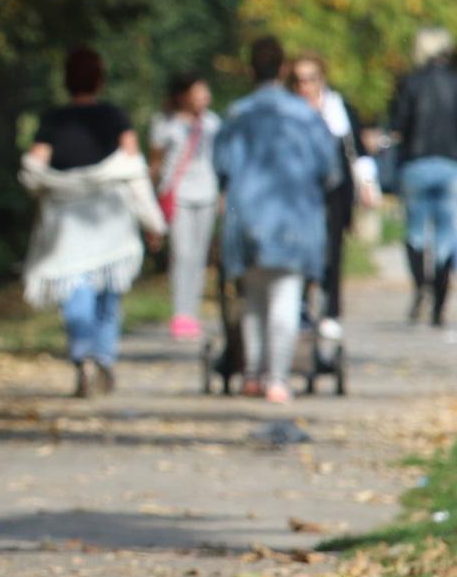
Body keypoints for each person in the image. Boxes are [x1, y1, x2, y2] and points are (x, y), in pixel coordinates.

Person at [21, 47, 165, 396]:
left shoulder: (54, 120)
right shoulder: (114, 117)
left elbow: (34, 167)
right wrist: (153, 223)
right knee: (108, 296)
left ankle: (82, 355)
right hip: (111, 219)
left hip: (69, 223)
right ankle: (103, 358)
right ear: (100, 80)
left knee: (75, 290)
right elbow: (133, 170)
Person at [213, 38, 342, 405]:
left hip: (246, 215)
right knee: (286, 295)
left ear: (250, 70)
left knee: (252, 296)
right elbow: (329, 170)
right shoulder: (304, 116)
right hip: (294, 216)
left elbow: (221, 166)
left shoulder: (238, 115)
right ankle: (278, 378)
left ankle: (252, 373)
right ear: (283, 70)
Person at [387, 27, 457, 327]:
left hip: (415, 164)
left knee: (415, 232)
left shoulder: (409, 84)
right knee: (446, 235)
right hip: (452, 165)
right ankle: (439, 305)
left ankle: (421, 287)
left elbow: (398, 124)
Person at [283, 54, 378, 343]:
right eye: (299, 80)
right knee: (298, 249)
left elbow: (356, 150)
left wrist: (367, 184)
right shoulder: (288, 112)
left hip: (335, 190)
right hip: (298, 191)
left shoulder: (339, 110)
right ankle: (298, 308)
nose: (305, 86)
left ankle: (330, 312)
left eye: (311, 79)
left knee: (332, 249)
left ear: (321, 79)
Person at [149, 73, 222, 344]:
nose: (205, 98)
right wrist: (150, 201)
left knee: (200, 255)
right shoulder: (164, 124)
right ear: (184, 95)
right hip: (178, 196)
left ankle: (192, 312)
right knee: (182, 253)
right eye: (199, 92)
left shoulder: (213, 123)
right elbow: (155, 165)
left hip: (207, 194)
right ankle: (180, 313)